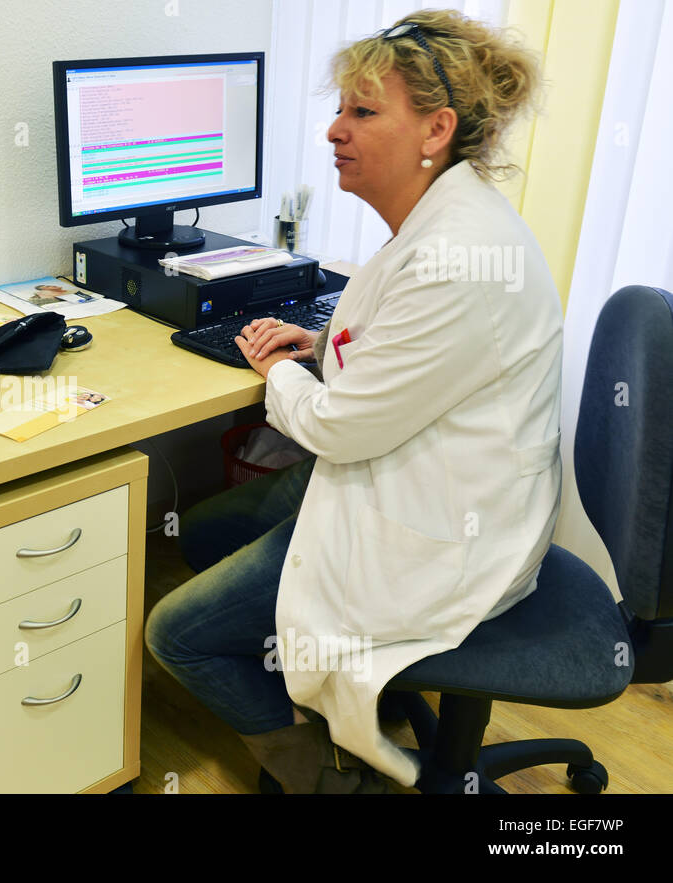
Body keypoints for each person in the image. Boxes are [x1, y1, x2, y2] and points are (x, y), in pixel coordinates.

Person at [145, 9, 560, 792]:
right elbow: (399, 341)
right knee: (198, 532)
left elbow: (337, 429)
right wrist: (325, 345)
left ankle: (331, 774)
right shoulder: (439, 219)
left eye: (363, 112)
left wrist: (279, 372)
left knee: (177, 633)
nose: (335, 130)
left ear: (436, 129)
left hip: (437, 534)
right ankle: (339, 691)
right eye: (339, 108)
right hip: (409, 478)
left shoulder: (460, 256)